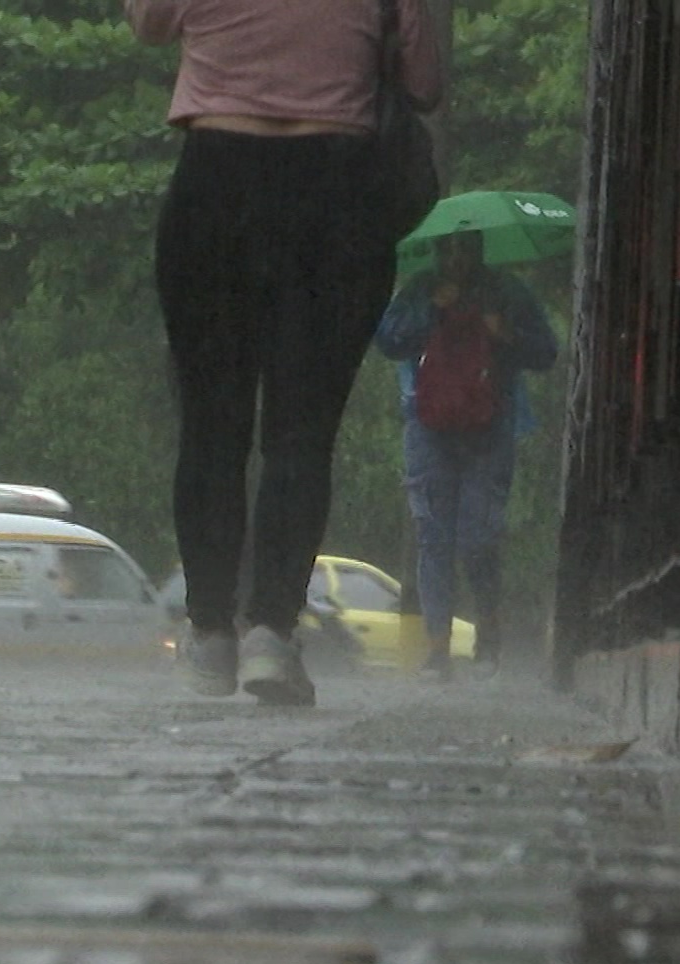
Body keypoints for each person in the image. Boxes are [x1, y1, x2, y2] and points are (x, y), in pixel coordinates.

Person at [125, 0, 444, 706]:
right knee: (302, 432)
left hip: (215, 180)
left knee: (212, 423)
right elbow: (423, 82)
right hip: (336, 191)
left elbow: (148, 23)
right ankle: (271, 631)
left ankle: (210, 635)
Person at [374, 230, 558, 681]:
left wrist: (506, 333)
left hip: (490, 426)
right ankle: (437, 649)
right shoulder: (420, 290)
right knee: (433, 535)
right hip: (428, 425)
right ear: (437, 251)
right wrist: (432, 313)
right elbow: (387, 341)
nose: (456, 256)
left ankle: (488, 630)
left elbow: (545, 352)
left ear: (479, 247)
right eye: (447, 248)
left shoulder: (507, 291)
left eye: (465, 246)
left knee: (480, 536)